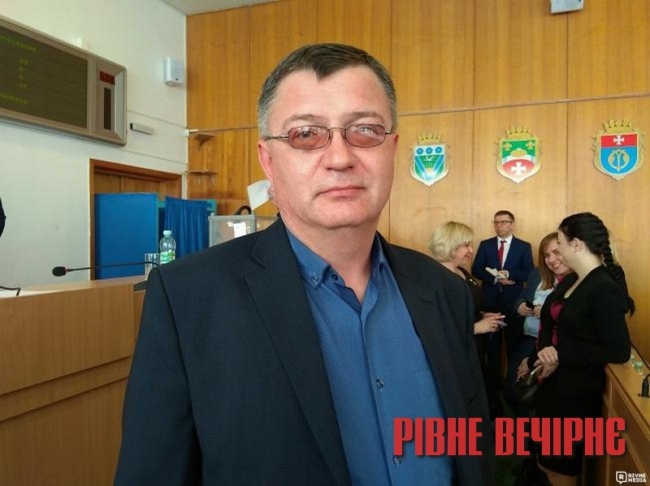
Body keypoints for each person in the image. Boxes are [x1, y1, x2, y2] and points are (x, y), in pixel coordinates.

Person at [115, 43, 494, 485]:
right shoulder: (187, 299)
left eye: (365, 130)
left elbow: (472, 450)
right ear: (268, 160)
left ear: (392, 149)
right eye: (305, 134)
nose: (340, 158)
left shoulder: (444, 291)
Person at [519, 212, 633, 486]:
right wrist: (545, 352)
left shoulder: (601, 286)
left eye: (560, 243)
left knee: (560, 468)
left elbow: (618, 350)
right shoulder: (574, 280)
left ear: (577, 245)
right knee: (544, 462)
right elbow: (554, 324)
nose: (557, 251)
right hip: (555, 387)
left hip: (574, 395)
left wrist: (560, 355)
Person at [471, 210, 534, 417]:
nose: (499, 226)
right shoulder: (486, 245)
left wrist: (509, 275)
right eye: (496, 222)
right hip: (490, 303)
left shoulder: (523, 246)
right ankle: (492, 391)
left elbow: (529, 271)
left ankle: (512, 386)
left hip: (513, 304)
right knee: (492, 348)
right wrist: (495, 278)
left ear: (512, 224)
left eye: (504, 222)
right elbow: (476, 269)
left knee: (513, 345)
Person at [503, 232, 572, 418]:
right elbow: (523, 296)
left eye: (556, 252)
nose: (551, 260)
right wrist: (519, 305)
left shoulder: (575, 281)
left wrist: (546, 313)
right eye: (546, 255)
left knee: (535, 396)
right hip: (527, 339)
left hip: (552, 347)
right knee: (511, 388)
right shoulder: (537, 273)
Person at [428, 221, 504, 379]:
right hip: (454, 357)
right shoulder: (435, 278)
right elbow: (435, 326)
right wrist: (475, 328)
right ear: (450, 245)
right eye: (466, 245)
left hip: (474, 350)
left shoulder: (461, 271)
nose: (471, 250)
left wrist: (480, 316)